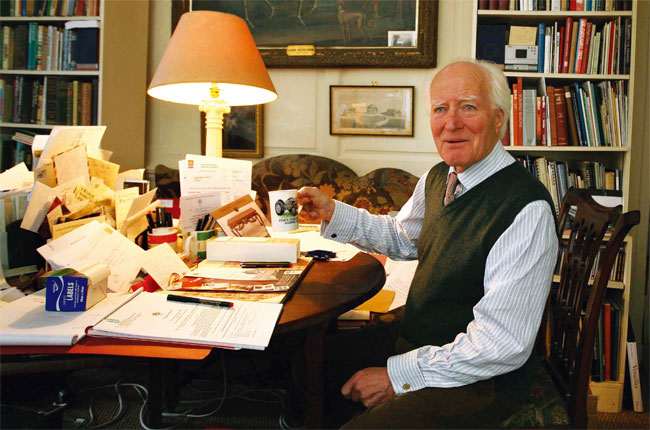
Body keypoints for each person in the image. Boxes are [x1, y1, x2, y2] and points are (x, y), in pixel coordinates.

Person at [295, 59, 558, 428]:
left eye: (468, 107)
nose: (451, 123)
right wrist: (332, 212)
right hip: (421, 339)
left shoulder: (525, 208)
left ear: (498, 119)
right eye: (440, 109)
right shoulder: (440, 177)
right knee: (304, 365)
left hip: (481, 379)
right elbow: (404, 238)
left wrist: (395, 376)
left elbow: (501, 344)